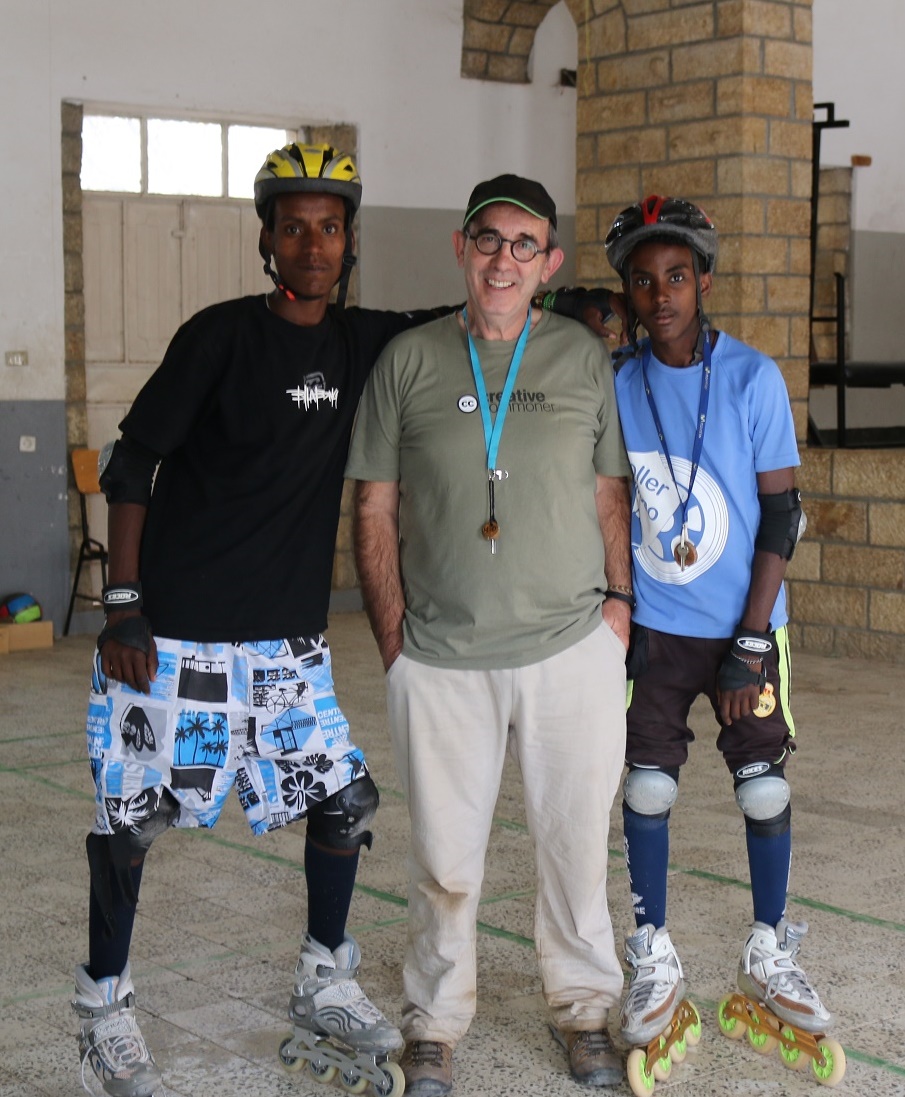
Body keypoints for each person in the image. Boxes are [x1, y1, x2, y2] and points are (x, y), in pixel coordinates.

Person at [72, 142, 465, 1097]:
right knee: (133, 822)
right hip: (175, 636)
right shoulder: (218, 337)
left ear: (350, 240)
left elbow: (454, 322)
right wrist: (123, 605)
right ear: (266, 240)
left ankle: (323, 977)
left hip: (287, 646)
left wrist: (566, 303)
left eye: (329, 228)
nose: (313, 245)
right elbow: (132, 464)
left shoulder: (359, 343)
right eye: (294, 228)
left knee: (343, 801)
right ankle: (102, 1010)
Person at [346, 173, 633, 1095]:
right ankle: (433, 1022)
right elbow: (374, 505)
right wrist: (394, 640)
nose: (502, 259)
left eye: (522, 245)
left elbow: (608, 489)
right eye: (487, 240)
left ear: (547, 262)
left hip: (571, 648)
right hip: (439, 659)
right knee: (443, 859)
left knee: (576, 847)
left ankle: (584, 1009)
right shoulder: (408, 360)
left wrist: (618, 609)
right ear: (461, 250)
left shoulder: (580, 356)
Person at [605, 196, 832, 1051]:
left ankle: (768, 949)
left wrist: (750, 639)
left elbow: (781, 514)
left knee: (763, 785)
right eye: (643, 280)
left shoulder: (749, 377)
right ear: (628, 293)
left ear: (702, 279)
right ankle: (651, 950)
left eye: (676, 275)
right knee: (647, 786)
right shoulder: (617, 383)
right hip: (659, 628)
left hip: (745, 627)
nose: (660, 293)